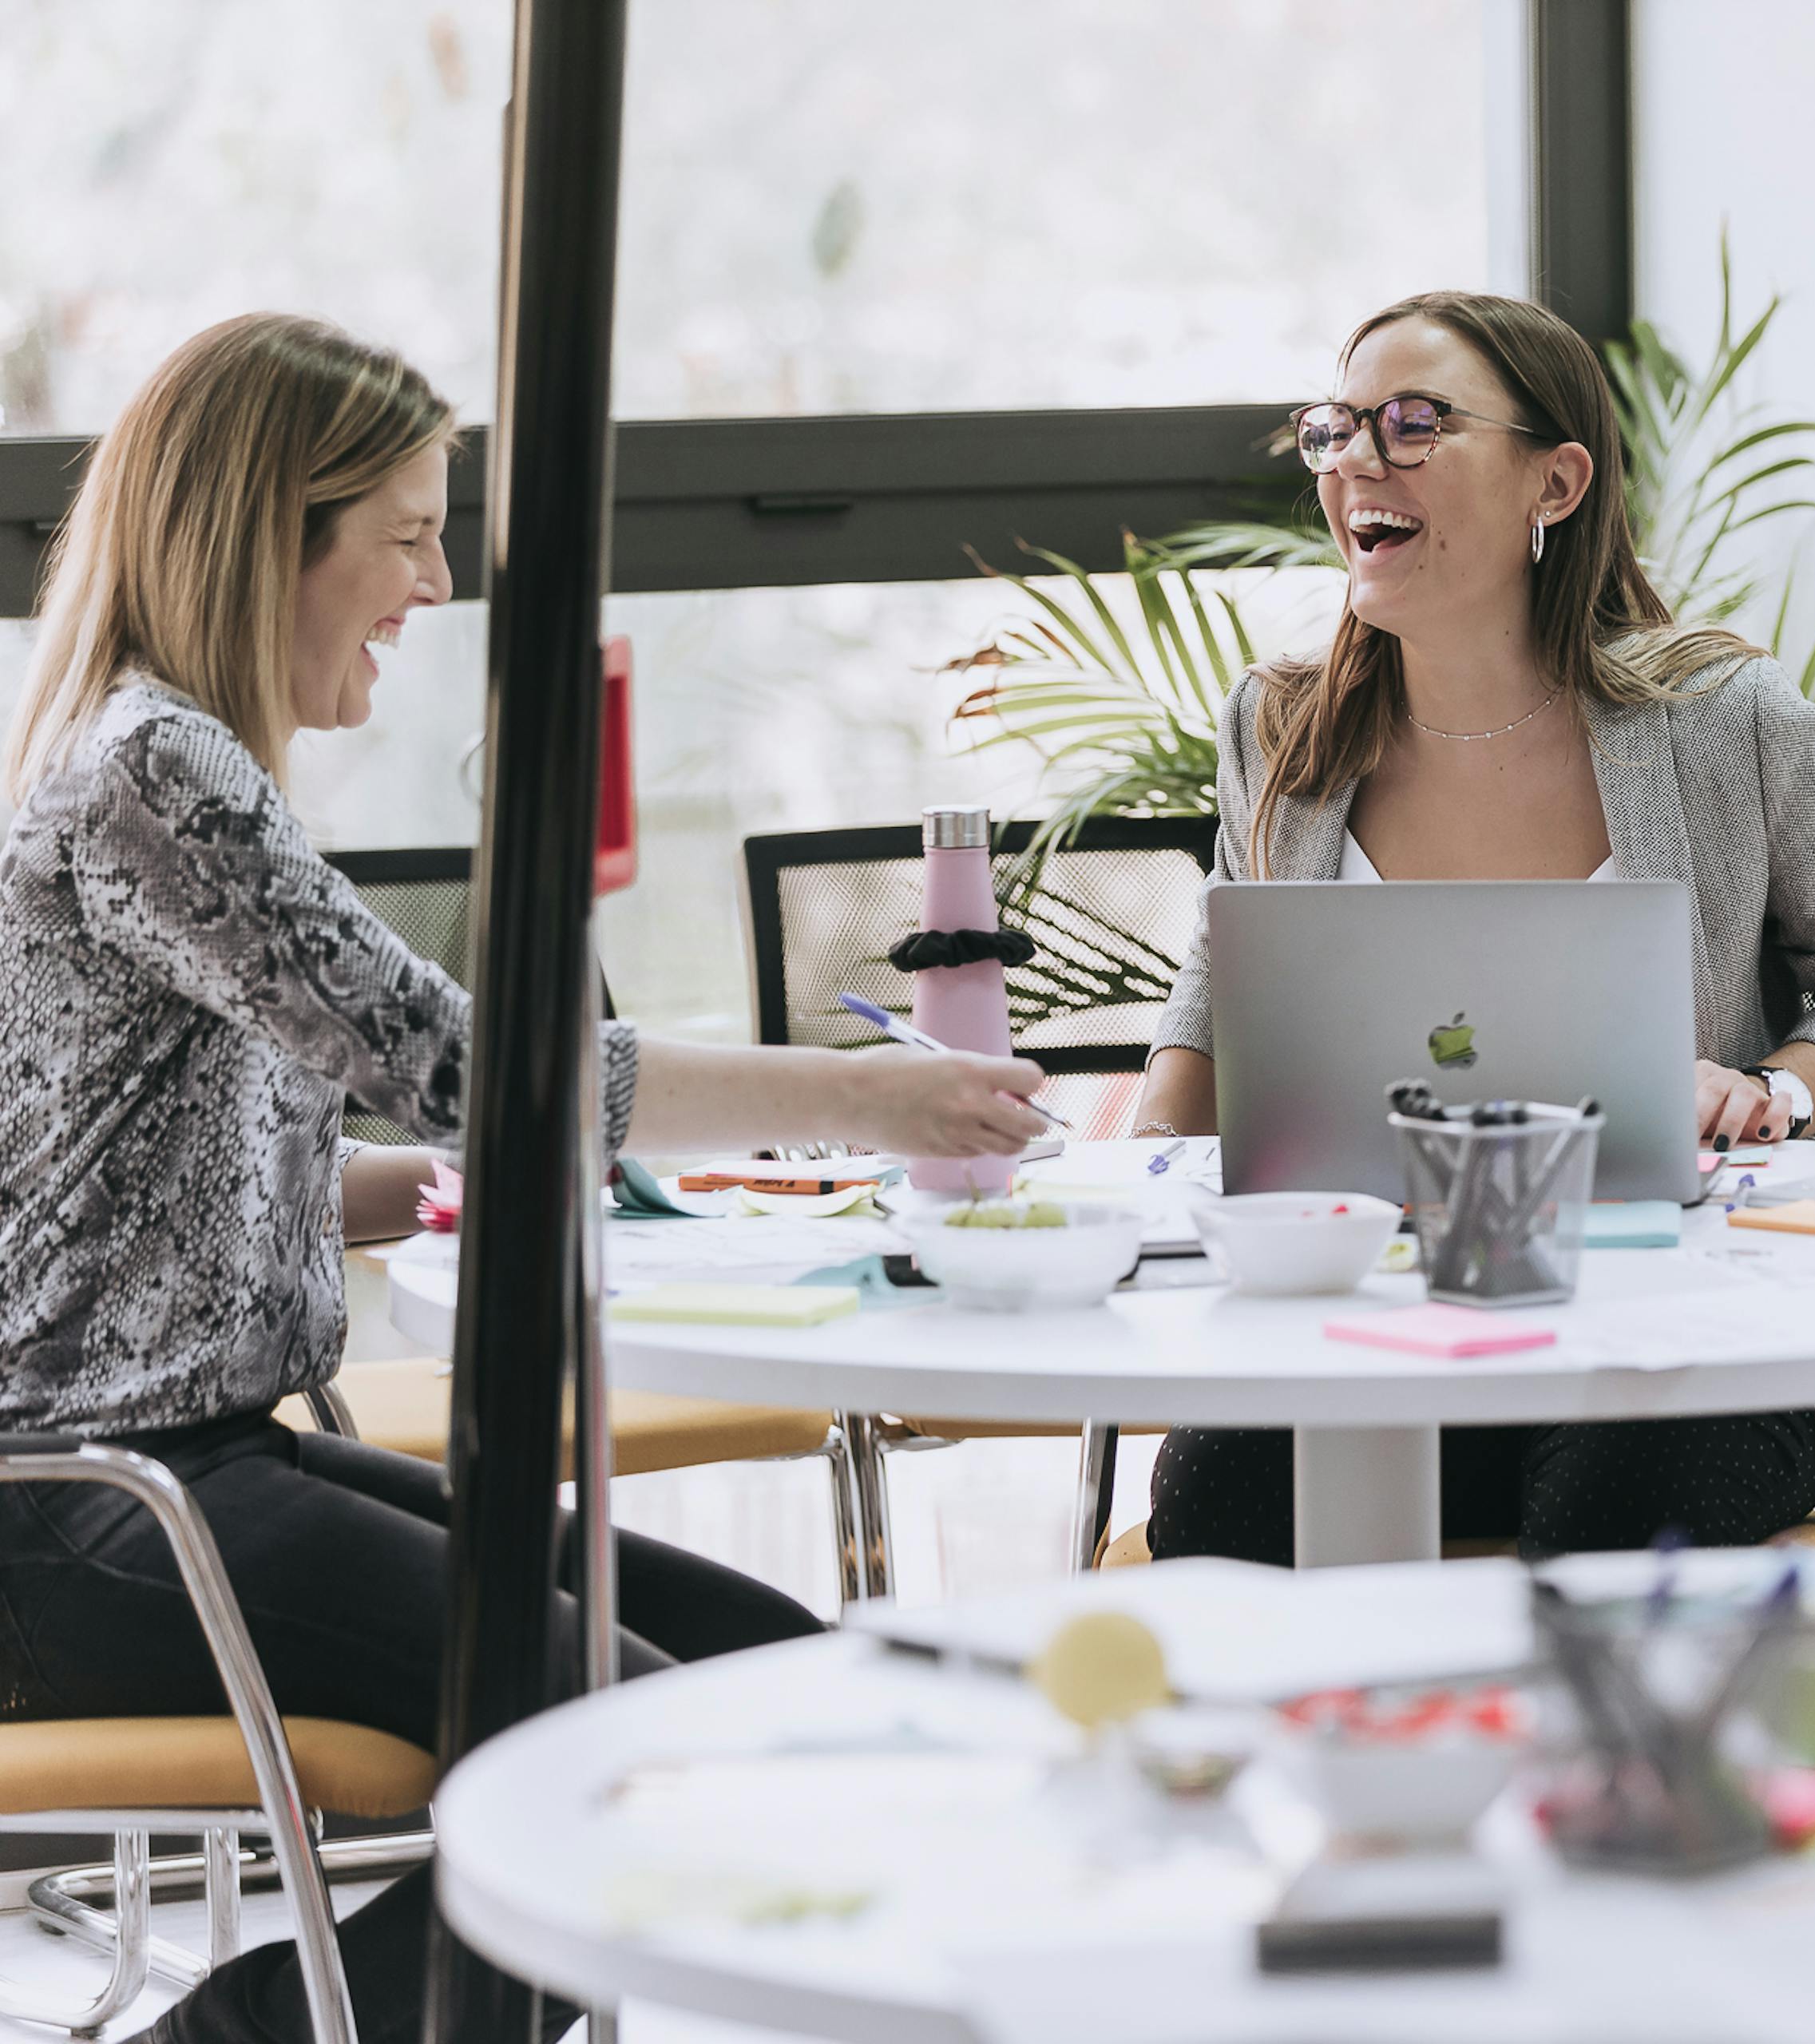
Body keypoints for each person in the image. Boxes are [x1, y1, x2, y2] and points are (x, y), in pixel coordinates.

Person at [0, 315, 1054, 2044]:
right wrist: (883, 1105)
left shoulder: (159, 754)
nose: (434, 579)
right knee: (637, 1760)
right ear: (279, 530)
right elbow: (480, 1072)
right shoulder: (157, 770)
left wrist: (414, 1187)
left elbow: (177, 1166)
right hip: (93, 1507)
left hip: (196, 1462)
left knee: (779, 1673)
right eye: (407, 533)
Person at [1127, 290, 1815, 1562]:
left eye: (1412, 424)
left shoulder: (1730, 719)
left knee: (1612, 1516)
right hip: (1373, 1321)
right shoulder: (1277, 721)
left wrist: (1772, 1094)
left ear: (1554, 484)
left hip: (1697, 1334)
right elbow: (1230, 963)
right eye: (1335, 428)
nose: (1355, 461)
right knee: (1217, 1501)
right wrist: (1130, 1161)